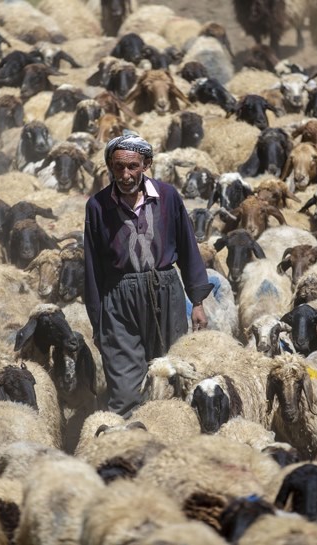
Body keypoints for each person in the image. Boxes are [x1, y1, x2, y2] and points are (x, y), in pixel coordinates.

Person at [84, 134, 212, 416]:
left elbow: (188, 247)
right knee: (126, 388)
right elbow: (91, 266)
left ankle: (174, 440)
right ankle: (129, 445)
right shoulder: (97, 206)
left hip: (165, 290)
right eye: (118, 167)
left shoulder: (167, 197)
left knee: (172, 374)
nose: (126, 174)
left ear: (146, 164)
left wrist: (198, 302)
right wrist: (98, 321)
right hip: (119, 298)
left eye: (132, 166)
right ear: (110, 166)